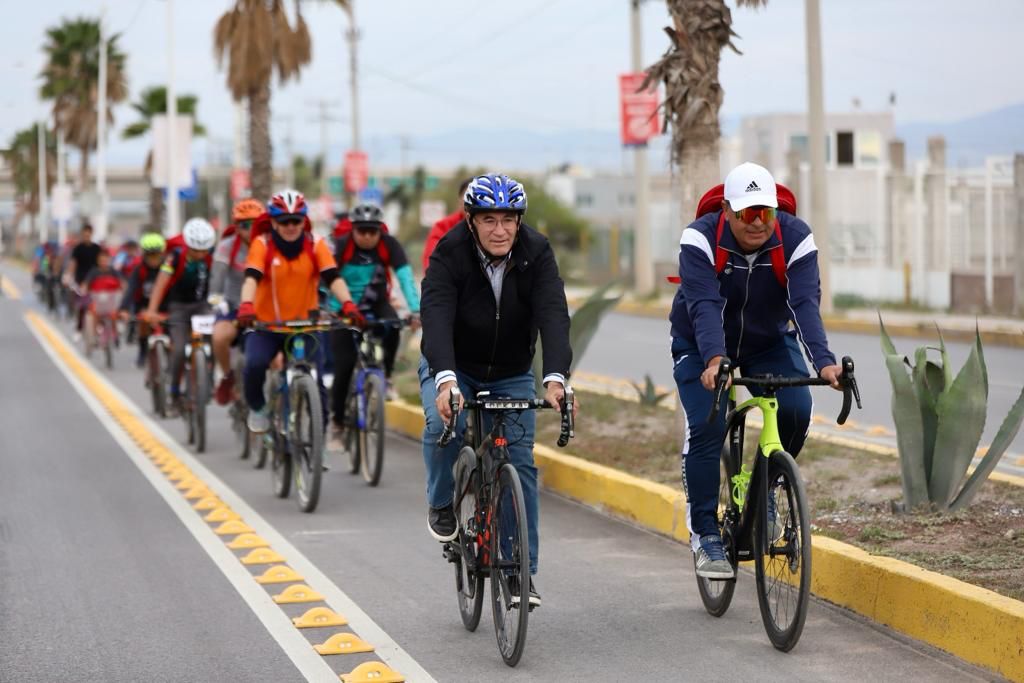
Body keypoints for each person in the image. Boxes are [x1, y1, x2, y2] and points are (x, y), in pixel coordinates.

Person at [670, 162, 843, 580]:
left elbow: (804, 304)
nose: (758, 223)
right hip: (700, 344)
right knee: (708, 426)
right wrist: (714, 359)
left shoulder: (795, 237)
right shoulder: (700, 238)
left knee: (798, 407)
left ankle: (765, 487)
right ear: (728, 210)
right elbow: (703, 304)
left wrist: (823, 361)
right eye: (748, 213)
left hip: (767, 341)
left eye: (765, 212)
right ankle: (706, 537)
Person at [420, 173, 576, 608]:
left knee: (520, 463)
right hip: (455, 365)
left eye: (509, 219)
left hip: (510, 369)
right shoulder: (449, 252)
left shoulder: (537, 251)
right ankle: (441, 504)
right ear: (470, 220)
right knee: (441, 422)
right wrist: (446, 379)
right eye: (488, 219)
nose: (500, 230)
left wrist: (557, 378)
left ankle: (520, 573)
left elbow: (553, 313)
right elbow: (434, 315)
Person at [236, 189, 360, 434]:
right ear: (272, 222)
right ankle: (259, 408)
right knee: (254, 364)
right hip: (267, 326)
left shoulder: (316, 244)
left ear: (304, 221)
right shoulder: (262, 244)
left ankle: (318, 439)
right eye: (284, 222)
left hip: (305, 326)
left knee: (317, 378)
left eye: (296, 221)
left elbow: (333, 277)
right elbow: (251, 278)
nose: (291, 226)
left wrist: (348, 303)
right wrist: (246, 305)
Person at [327, 203, 421, 440]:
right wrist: (324, 309)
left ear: (380, 230)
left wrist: (416, 310)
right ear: (353, 229)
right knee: (345, 366)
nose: (368, 236)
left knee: (393, 326)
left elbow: (405, 278)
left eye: (373, 231)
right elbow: (325, 279)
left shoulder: (389, 245)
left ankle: (386, 377)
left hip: (376, 303)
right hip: (343, 308)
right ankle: (337, 421)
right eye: (362, 231)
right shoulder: (341, 246)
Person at [143, 218, 217, 414]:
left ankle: (208, 378)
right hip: (179, 307)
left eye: (205, 250)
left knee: (217, 338)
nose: (201, 254)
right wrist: (152, 309)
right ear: (188, 246)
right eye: (196, 250)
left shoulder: (213, 257)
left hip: (202, 305)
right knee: (177, 350)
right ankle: (174, 391)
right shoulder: (175, 257)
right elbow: (160, 283)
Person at [210, 198, 263, 405]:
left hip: (262, 309)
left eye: (254, 224)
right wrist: (216, 300)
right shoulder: (226, 247)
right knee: (219, 337)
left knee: (276, 359)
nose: (250, 230)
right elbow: (217, 276)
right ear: (236, 226)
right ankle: (227, 376)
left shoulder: (270, 244)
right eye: (244, 225)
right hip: (233, 306)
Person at [119, 233, 167, 367]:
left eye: (156, 255)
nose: (153, 259)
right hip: (143, 305)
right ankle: (143, 351)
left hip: (165, 305)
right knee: (143, 324)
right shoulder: (139, 270)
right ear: (144, 255)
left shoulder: (168, 269)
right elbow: (130, 290)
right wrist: (123, 309)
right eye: (150, 255)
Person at [421, 178, 472, 273]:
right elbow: (431, 261)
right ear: (459, 203)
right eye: (468, 200)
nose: (472, 206)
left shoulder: (497, 228)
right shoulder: (443, 226)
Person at [66, 224, 103, 335]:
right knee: (82, 306)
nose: (87, 235)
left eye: (89, 233)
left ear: (91, 233)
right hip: (81, 280)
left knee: (100, 304)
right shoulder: (78, 248)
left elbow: (102, 263)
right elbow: (73, 263)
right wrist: (68, 276)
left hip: (95, 280)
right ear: (82, 234)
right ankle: (79, 328)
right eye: (85, 233)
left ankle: (100, 325)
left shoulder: (97, 248)